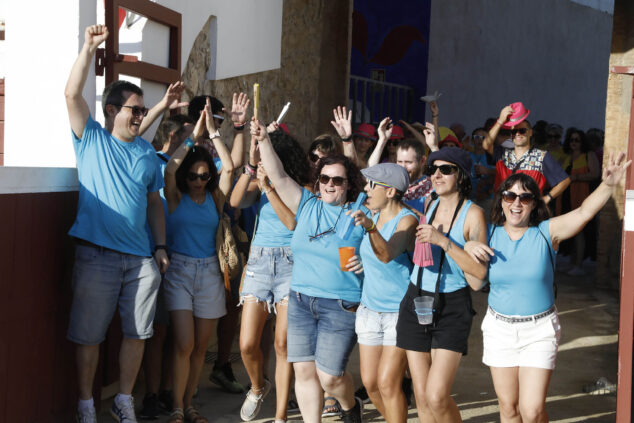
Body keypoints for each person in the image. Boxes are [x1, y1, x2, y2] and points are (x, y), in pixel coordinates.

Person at [464, 153, 630, 422]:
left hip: (538, 330)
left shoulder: (545, 232)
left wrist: (608, 185)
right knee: (508, 408)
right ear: (502, 200)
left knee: (532, 411)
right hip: (499, 329)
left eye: (525, 197)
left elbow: (584, 212)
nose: (516, 203)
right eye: (510, 196)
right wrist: (469, 245)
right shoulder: (489, 234)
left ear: (534, 204)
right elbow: (469, 259)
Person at [65, 24, 169, 423]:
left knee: (138, 333)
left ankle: (123, 400)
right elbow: (72, 94)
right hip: (97, 257)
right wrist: (89, 48)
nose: (140, 116)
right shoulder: (90, 138)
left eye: (143, 110)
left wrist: (159, 247)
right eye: (135, 110)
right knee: (88, 336)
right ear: (112, 110)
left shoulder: (146, 153)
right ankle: (86, 405)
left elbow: (154, 202)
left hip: (141, 261)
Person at [251, 119, 367, 423]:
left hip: (340, 304)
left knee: (329, 377)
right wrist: (264, 140)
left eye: (338, 180)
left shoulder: (360, 213)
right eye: (325, 178)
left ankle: (349, 405)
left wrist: (368, 260)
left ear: (349, 184)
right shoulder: (307, 205)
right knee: (303, 370)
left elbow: (383, 248)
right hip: (301, 300)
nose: (330, 184)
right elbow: (276, 174)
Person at [395, 147, 488, 422]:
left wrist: (445, 242)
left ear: (461, 175)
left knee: (437, 396)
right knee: (422, 396)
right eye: (433, 170)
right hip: (417, 297)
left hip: (452, 304)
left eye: (446, 169)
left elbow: (478, 278)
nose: (437, 175)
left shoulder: (473, 215)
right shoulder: (430, 204)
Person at [229, 130, 310, 422]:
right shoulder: (260, 182)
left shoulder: (302, 186)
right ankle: (257, 385)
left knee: (282, 344)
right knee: (247, 343)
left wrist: (270, 187)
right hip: (260, 262)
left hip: (292, 263)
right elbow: (236, 201)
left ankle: (280, 416)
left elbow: (291, 222)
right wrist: (250, 169)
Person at [162, 98, 235, 423]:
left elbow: (230, 168)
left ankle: (188, 405)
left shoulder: (214, 198)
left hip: (209, 272)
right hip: (178, 270)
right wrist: (193, 137)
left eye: (205, 176)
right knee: (183, 343)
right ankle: (177, 406)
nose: (199, 181)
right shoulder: (175, 196)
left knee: (198, 348)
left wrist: (215, 132)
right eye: (193, 175)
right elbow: (169, 168)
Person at [187, 93, 250, 395]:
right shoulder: (186, 150)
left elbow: (234, 163)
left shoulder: (216, 147)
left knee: (230, 304)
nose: (218, 125)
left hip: (225, 235)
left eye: (222, 121)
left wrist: (239, 129)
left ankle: (221, 364)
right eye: (216, 119)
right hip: (195, 240)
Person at [349, 163, 418, 423]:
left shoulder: (408, 220)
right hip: (369, 309)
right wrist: (362, 264)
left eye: (371, 185)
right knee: (371, 384)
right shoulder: (373, 215)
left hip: (397, 313)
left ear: (391, 192)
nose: (366, 190)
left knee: (388, 383)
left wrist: (369, 228)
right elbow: (375, 257)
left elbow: (388, 254)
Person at [140, 114, 195, 419]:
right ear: (174, 136)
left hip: (185, 258)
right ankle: (150, 393)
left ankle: (168, 392)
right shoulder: (155, 161)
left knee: (178, 334)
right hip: (157, 256)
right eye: (188, 136)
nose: (194, 142)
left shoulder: (191, 171)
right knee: (157, 331)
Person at [483, 103, 570, 204]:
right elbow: (486, 145)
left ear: (530, 132)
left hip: (531, 213)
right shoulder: (503, 154)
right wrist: (500, 121)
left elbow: (565, 180)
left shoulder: (541, 156)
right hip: (505, 211)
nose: (518, 134)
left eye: (522, 130)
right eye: (514, 131)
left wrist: (547, 198)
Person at [560, 129, 600, 276]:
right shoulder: (567, 157)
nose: (574, 143)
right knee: (570, 230)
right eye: (571, 140)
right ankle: (572, 262)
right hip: (566, 196)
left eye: (577, 140)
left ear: (583, 142)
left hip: (581, 195)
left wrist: (576, 177)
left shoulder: (588, 155)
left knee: (579, 230)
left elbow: (595, 174)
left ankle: (579, 264)